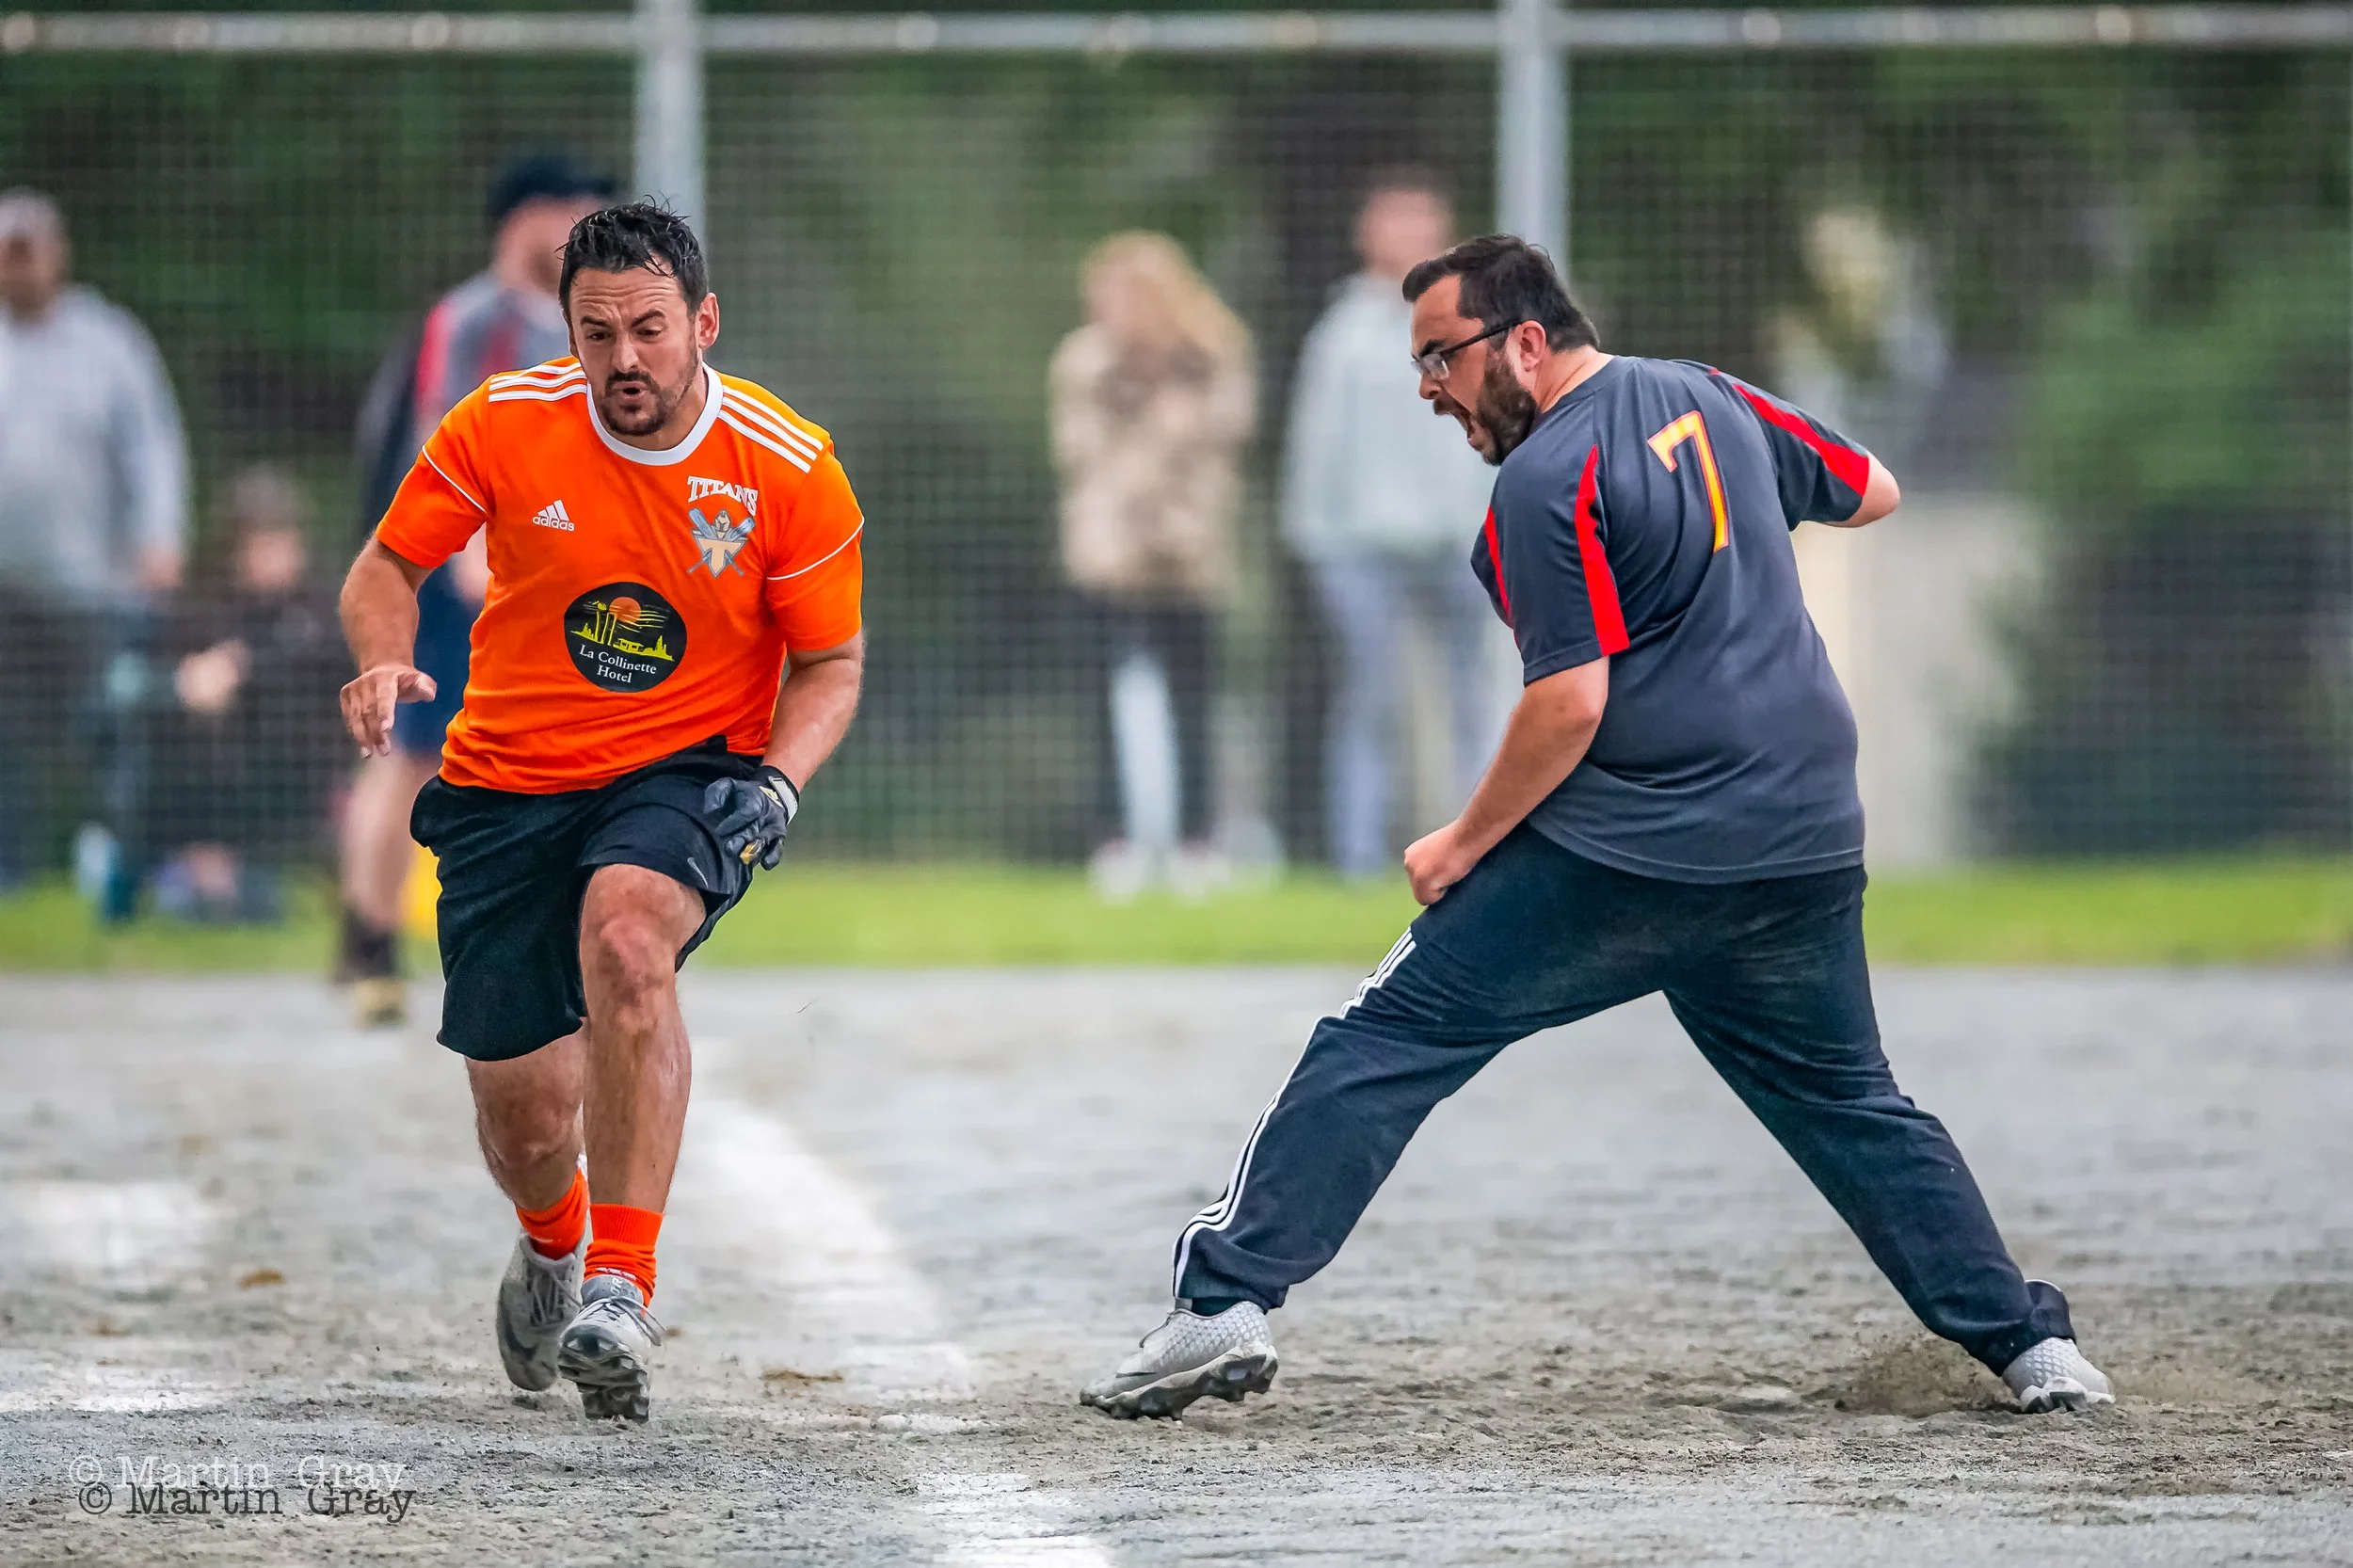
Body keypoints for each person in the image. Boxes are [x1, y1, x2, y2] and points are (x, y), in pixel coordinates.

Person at [1080, 236, 2114, 1421]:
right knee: (1854, 1107)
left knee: (1380, 1039)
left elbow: (1570, 703)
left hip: (1634, 851)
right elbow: (1872, 488)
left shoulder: (1538, 481)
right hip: (1800, 836)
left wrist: (1461, 841)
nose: (1428, 388)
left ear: (1525, 340)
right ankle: (2035, 1352)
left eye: (1441, 359)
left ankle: (1220, 1299)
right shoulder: (1710, 395)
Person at [338, 203, 866, 1423]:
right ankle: (555, 1237)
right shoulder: (503, 422)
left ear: (704, 323)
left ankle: (622, 1287)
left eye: (649, 328)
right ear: (564, 331)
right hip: (508, 781)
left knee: (632, 938)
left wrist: (777, 783)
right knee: (525, 1117)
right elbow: (386, 566)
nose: (625, 358)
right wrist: (379, 656)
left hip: (687, 770)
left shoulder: (785, 465)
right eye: (596, 332)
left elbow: (830, 662)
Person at [337, 154, 616, 1027]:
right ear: (523, 220)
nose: (586, 225)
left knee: (557, 757)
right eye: (571, 209)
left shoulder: (580, 319)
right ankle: (370, 939)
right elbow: (447, 436)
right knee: (416, 748)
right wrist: (472, 544)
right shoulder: (482, 319)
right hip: (471, 575)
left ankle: (550, 942)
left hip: (550, 574)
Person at [1284, 171, 1500, 878]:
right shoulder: (1341, 333)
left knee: (1475, 695)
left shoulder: (1479, 325)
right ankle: (1357, 857)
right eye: (1393, 222)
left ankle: (1485, 847)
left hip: (1459, 540)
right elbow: (1316, 443)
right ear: (1366, 234)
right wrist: (1317, 539)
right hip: (1361, 547)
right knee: (1370, 700)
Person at [1049, 232, 1255, 899]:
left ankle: (1200, 841)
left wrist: (1159, 456)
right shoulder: (1084, 363)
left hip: (1188, 552)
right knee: (1102, 702)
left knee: (1195, 701)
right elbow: (1081, 450)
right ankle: (1115, 840)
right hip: (1110, 555)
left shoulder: (1212, 357)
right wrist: (1159, 442)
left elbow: (1224, 442)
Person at [0, 188, 188, 904]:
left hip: (91, 584)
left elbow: (153, 446)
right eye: (7, 253)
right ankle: (11, 877)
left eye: (28, 251)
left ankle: (114, 876)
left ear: (57, 254)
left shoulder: (108, 341)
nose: (18, 267)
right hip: (3, 588)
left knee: (107, 727)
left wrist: (159, 535)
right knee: (6, 737)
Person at [149, 466, 346, 921]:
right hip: (213, 776)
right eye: (265, 544)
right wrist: (192, 678)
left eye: (285, 541)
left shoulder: (322, 604)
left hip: (295, 779)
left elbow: (320, 667)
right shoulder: (206, 606)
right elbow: (172, 668)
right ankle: (196, 861)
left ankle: (245, 874)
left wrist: (244, 668)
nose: (279, 557)